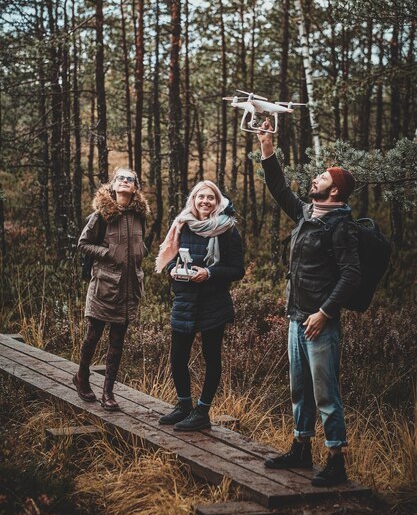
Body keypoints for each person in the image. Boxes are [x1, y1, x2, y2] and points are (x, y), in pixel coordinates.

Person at [258, 119, 361, 487]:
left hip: (320, 321)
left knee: (325, 392)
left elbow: (351, 276)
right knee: (299, 387)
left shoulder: (340, 227)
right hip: (296, 317)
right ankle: (301, 448)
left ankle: (336, 460)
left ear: (335, 192)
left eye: (322, 178)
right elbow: (279, 188)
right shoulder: (306, 213)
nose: (315, 179)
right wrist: (267, 148)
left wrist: (325, 313)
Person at [155, 181, 245, 431]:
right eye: (200, 197)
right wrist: (173, 271)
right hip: (184, 300)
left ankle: (202, 411)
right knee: (177, 357)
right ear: (192, 200)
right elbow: (170, 260)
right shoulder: (181, 225)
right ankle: (184, 406)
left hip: (213, 303)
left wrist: (209, 273)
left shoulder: (227, 230)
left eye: (211, 198)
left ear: (218, 202)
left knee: (211, 358)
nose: (205, 201)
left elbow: (238, 270)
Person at [74, 167, 149, 411]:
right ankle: (82, 377)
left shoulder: (140, 216)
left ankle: (108, 392)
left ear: (135, 188)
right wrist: (107, 253)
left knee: (118, 341)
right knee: (93, 336)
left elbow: (141, 243)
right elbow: (83, 244)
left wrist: (140, 254)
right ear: (113, 185)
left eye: (130, 179)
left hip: (129, 288)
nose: (126, 182)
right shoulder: (101, 215)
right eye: (121, 178)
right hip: (105, 286)